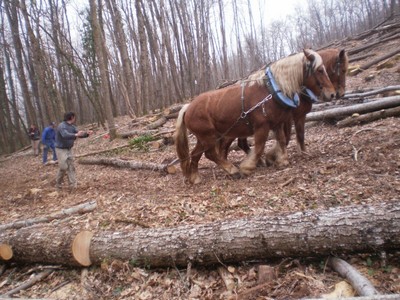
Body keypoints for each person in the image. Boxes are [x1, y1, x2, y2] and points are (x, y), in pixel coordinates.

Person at [55, 112, 93, 190]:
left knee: (71, 167)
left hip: (69, 149)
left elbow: (78, 134)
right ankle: (58, 183)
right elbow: (65, 135)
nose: (75, 119)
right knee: (63, 167)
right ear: (72, 117)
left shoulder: (72, 127)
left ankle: (73, 186)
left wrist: (87, 133)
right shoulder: (61, 126)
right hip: (61, 149)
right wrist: (75, 135)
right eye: (74, 117)